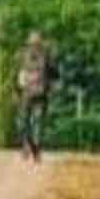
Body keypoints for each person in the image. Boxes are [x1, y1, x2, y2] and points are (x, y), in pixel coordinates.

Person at [15, 31, 57, 164]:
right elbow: (17, 74)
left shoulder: (46, 56)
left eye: (36, 44)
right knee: (25, 122)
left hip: (39, 94)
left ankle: (34, 148)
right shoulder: (22, 56)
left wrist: (50, 86)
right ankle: (29, 146)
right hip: (26, 94)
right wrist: (16, 91)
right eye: (33, 44)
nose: (34, 46)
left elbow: (53, 73)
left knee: (36, 123)